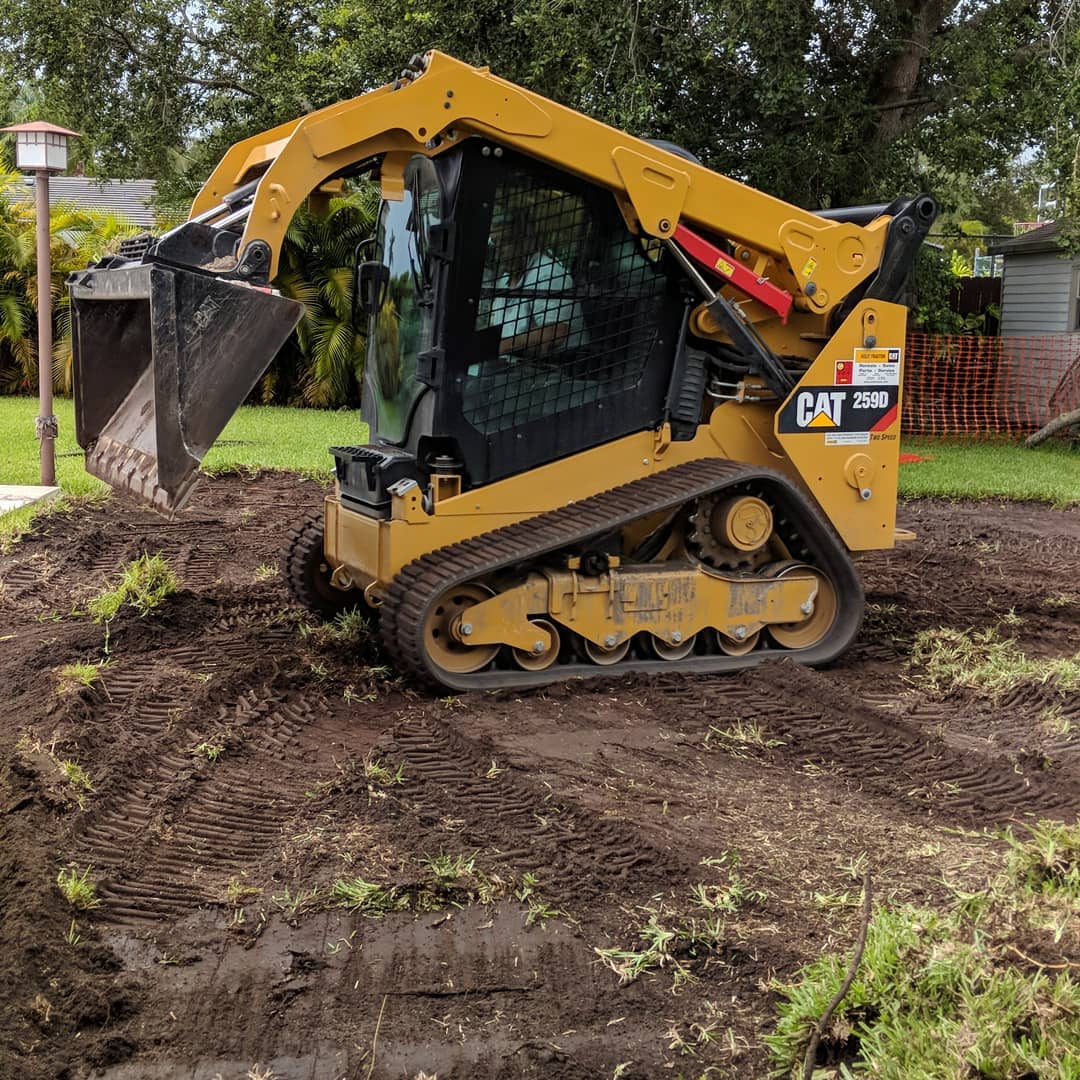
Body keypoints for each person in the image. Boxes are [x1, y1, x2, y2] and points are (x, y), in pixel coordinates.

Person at [484, 206, 587, 358]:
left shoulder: (547, 273)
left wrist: (503, 346)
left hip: (557, 370)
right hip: (509, 369)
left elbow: (556, 332)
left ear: (525, 241)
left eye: (505, 242)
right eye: (495, 243)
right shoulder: (505, 279)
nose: (498, 250)